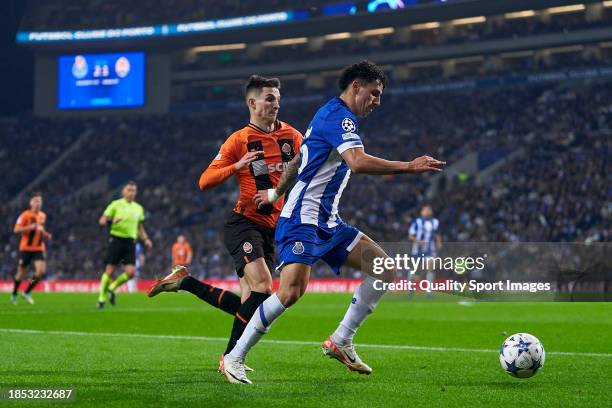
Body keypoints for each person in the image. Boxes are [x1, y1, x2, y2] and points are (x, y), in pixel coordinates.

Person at [222, 60, 445, 384]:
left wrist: (273, 195)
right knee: (290, 293)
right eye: (374, 93)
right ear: (356, 86)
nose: (377, 101)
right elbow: (356, 162)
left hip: (329, 222)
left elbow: (299, 161)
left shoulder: (330, 117)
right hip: (300, 220)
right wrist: (409, 166)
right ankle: (234, 357)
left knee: (385, 269)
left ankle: (341, 339)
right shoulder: (337, 116)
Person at [147, 75, 303, 372]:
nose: (276, 103)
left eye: (278, 99)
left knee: (250, 304)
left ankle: (185, 282)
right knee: (262, 289)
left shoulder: (293, 137)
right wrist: (237, 166)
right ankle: (231, 359)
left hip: (273, 228)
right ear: (252, 103)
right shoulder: (239, 140)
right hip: (243, 223)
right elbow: (204, 181)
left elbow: (308, 166)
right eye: (269, 98)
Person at [97, 181, 153, 308]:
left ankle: (112, 288)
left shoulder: (138, 208)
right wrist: (111, 220)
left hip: (130, 242)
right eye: (129, 190)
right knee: (109, 270)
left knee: (131, 273)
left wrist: (146, 239)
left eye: (134, 190)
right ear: (123, 191)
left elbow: (139, 227)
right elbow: (102, 220)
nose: (131, 193)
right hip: (116, 240)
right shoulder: (115, 205)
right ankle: (101, 298)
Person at [11, 192, 51, 305]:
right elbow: (16, 230)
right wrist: (29, 227)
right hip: (26, 248)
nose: (38, 203)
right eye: (36, 201)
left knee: (40, 271)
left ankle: (27, 291)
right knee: (21, 273)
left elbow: (40, 230)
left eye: (40, 201)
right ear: (31, 203)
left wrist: (46, 235)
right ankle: (14, 294)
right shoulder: (25, 215)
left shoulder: (43, 215)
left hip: (38, 248)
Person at [408, 205, 441, 297]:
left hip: (430, 249)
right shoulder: (417, 222)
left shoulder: (435, 222)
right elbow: (410, 235)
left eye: (428, 210)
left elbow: (437, 234)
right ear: (421, 212)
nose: (427, 212)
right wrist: (418, 241)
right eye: (425, 210)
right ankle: (410, 289)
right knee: (414, 269)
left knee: (430, 267)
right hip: (417, 249)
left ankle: (429, 291)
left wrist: (438, 243)